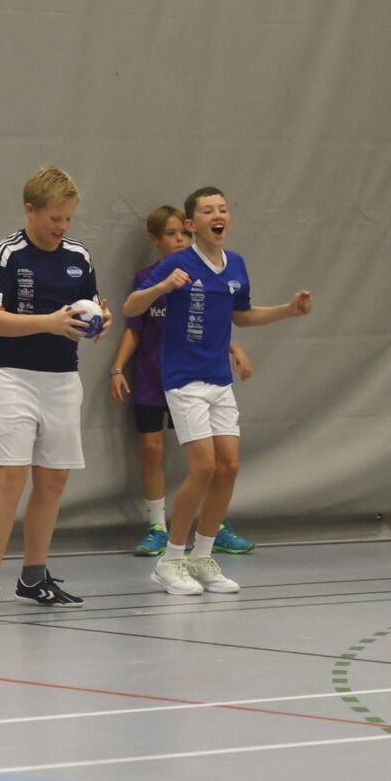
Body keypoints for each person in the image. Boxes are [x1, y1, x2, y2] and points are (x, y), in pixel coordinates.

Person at [125, 187, 311, 598]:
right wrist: (161, 287)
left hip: (219, 380)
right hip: (183, 380)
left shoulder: (236, 264)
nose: (218, 215)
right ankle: (171, 561)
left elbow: (242, 316)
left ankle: (203, 557)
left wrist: (287, 310)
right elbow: (131, 307)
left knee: (228, 467)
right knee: (204, 467)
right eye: (208, 211)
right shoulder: (177, 263)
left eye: (223, 209)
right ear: (192, 224)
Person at [0, 166, 105, 612]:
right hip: (13, 377)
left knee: (54, 478)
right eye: (54, 219)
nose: (62, 227)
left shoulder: (79, 255)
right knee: (10, 477)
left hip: (62, 379)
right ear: (31, 210)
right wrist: (48, 322)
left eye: (68, 219)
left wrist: (100, 323)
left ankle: (34, 577)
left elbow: (90, 308)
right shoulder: (6, 253)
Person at [110, 205, 254, 556]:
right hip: (152, 375)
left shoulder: (211, 270)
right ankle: (157, 527)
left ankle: (213, 526)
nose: (179, 240)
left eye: (184, 234)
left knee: (214, 461)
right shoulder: (151, 278)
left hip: (197, 377)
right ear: (154, 239)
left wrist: (235, 348)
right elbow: (133, 325)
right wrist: (117, 368)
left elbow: (213, 324)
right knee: (153, 449)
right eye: (171, 234)